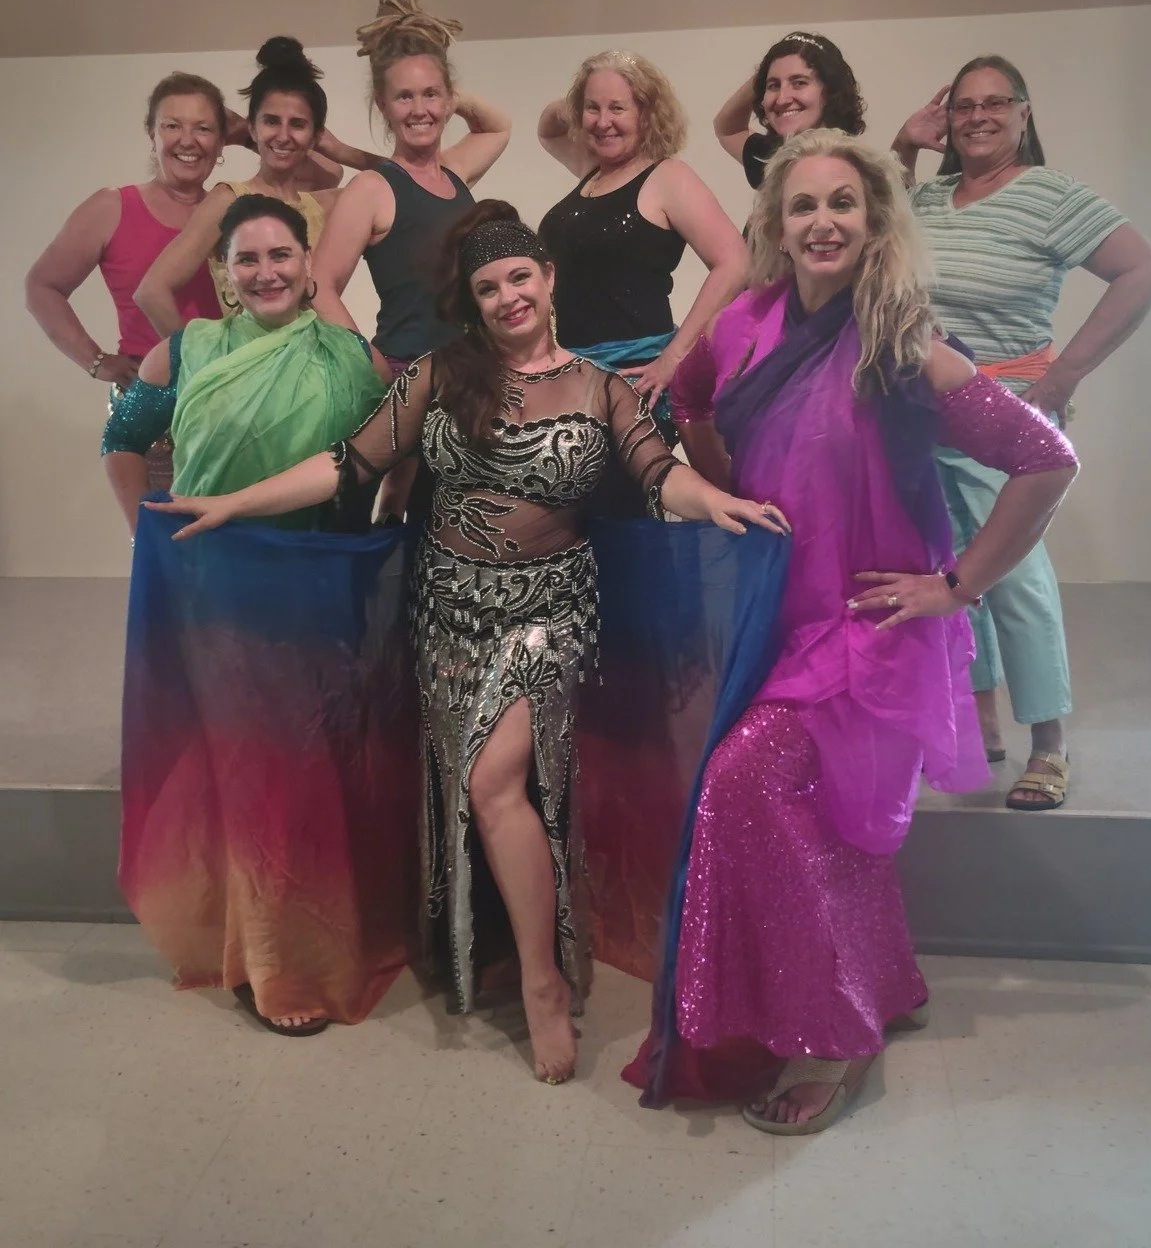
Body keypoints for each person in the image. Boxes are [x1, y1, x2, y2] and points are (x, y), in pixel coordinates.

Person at [148, 200, 787, 1084]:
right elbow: (348, 462)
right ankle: (484, 947)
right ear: (475, 301)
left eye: (520, 277)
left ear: (548, 280)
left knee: (491, 784)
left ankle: (541, 984)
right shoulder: (441, 374)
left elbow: (656, 471)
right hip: (446, 610)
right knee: (470, 790)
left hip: (551, 612)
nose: (508, 296)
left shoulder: (598, 387)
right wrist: (233, 503)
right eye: (489, 287)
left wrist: (714, 501)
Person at [623, 127, 1079, 1134]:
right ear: (776, 225)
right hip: (773, 620)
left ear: (874, 220)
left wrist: (956, 586)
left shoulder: (901, 345)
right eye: (803, 205)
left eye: (842, 203)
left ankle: (833, 1033)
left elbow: (1046, 460)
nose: (822, 221)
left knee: (746, 784)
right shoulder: (741, 324)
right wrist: (731, 500)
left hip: (868, 631)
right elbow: (692, 405)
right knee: (822, 820)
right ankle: (883, 982)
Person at [107, 193, 393, 1034]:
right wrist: (149, 540)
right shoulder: (187, 349)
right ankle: (270, 964)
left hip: (316, 590)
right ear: (225, 274)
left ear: (308, 265)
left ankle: (311, 939)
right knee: (248, 775)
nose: (266, 272)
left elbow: (387, 454)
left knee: (307, 768)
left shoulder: (351, 358)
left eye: (281, 256)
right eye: (248, 259)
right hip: (218, 591)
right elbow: (122, 441)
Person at [894, 56, 1151, 808]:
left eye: (995, 103)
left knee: (1012, 575)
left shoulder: (1050, 195)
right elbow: (873, 231)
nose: (977, 117)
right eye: (963, 106)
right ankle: (982, 725)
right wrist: (903, 144)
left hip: (1004, 413)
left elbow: (1145, 272)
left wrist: (1062, 377)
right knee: (951, 568)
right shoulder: (928, 198)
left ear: (1023, 113)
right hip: (922, 414)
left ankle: (1048, 742)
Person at [25, 72, 227, 490]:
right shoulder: (112, 207)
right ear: (152, 134)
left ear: (222, 142)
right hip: (150, 412)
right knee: (158, 529)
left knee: (237, 528)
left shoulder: (235, 211)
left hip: (228, 400)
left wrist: (245, 133)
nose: (187, 140)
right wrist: (96, 361)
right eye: (172, 125)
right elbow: (41, 287)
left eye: (203, 128)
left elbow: (316, 181)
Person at [310, 0, 512, 379]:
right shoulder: (371, 189)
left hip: (473, 371)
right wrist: (373, 365)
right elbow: (319, 285)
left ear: (449, 99)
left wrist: (443, 85)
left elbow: (499, 126)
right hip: (409, 375)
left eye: (430, 95)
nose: (419, 109)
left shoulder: (455, 170)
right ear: (382, 105)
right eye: (404, 97)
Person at [537, 50, 748, 416]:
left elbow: (736, 262)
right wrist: (585, 96)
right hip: (573, 373)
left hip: (633, 378)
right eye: (592, 108)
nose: (603, 122)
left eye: (618, 108)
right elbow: (548, 128)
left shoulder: (667, 177)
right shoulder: (593, 170)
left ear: (646, 114)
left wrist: (675, 356)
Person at [134, 37, 365, 339]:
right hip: (249, 365)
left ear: (315, 135)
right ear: (252, 128)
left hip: (321, 363)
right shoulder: (228, 199)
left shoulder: (327, 205)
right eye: (271, 122)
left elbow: (404, 184)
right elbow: (152, 292)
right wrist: (199, 360)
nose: (283, 135)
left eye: (297, 124)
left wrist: (341, 150)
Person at [713, 31, 866, 190]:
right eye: (773, 85)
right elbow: (727, 129)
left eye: (799, 83)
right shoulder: (771, 159)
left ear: (830, 91)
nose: (782, 99)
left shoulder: (858, 170)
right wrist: (766, 69)